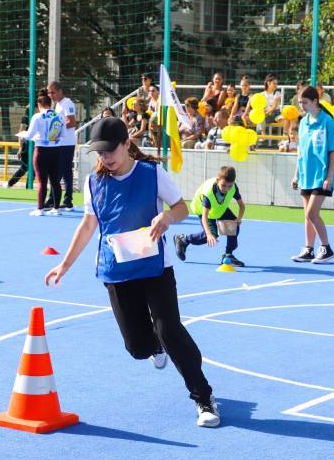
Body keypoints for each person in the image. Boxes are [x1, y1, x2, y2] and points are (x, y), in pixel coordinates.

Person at [44, 117, 220, 428]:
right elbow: (88, 226)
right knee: (138, 347)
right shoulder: (93, 183)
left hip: (155, 268)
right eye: (100, 152)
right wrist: (64, 264)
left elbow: (182, 208)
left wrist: (166, 218)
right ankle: (155, 346)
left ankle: (203, 397)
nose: (105, 157)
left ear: (127, 144)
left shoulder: (152, 174)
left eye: (111, 150)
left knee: (170, 330)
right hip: (117, 271)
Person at [290, 86, 334, 264]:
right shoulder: (303, 122)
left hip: (321, 174)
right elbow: (301, 151)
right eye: (300, 102)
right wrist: (296, 175)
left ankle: (326, 248)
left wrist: (329, 177)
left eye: (304, 102)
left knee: (312, 213)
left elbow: (333, 150)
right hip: (306, 174)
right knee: (306, 214)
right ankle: (308, 249)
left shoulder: (327, 121)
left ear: (315, 102)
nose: (301, 105)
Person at [174, 165, 245, 267]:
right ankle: (183, 240)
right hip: (202, 209)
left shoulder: (233, 188)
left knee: (234, 226)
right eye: (223, 185)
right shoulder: (209, 193)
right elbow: (204, 217)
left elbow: (241, 206)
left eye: (229, 186)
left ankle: (228, 255)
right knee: (212, 235)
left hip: (219, 208)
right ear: (217, 180)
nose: (226, 189)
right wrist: (209, 234)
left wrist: (239, 219)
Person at [25, 90, 64, 216]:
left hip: (41, 150)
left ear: (39, 104)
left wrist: (24, 135)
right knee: (55, 181)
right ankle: (56, 208)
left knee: (42, 181)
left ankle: (40, 208)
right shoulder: (59, 116)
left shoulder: (37, 116)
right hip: (56, 151)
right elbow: (62, 135)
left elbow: (29, 135)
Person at [47, 81, 77, 211]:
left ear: (60, 91)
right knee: (65, 172)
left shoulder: (67, 103)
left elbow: (72, 122)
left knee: (58, 171)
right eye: (49, 92)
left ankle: (52, 200)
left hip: (67, 143)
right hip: (61, 143)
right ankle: (67, 201)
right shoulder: (58, 105)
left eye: (52, 92)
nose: (50, 95)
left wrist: (56, 127)